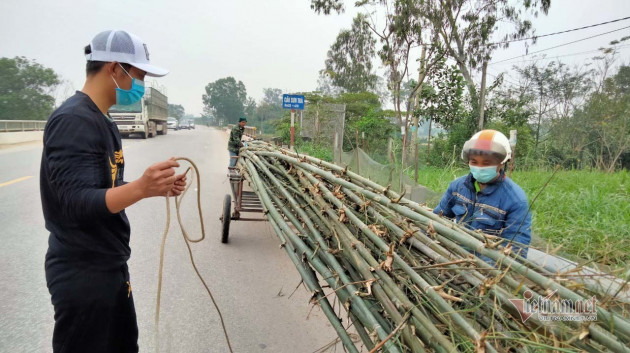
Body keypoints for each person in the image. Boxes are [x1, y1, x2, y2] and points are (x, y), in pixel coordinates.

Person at [40, 30, 186, 353]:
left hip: (110, 268)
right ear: (114, 69)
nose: (141, 86)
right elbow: (77, 203)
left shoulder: (103, 122)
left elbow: (104, 189)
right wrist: (139, 188)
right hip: (83, 275)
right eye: (139, 76)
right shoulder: (73, 121)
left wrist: (154, 188)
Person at [433, 129, 532, 259]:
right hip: (454, 256)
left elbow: (515, 250)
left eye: (487, 163)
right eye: (474, 162)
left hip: (485, 268)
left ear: (502, 162)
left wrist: (482, 270)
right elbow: (437, 218)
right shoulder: (457, 186)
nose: (479, 167)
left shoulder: (516, 200)